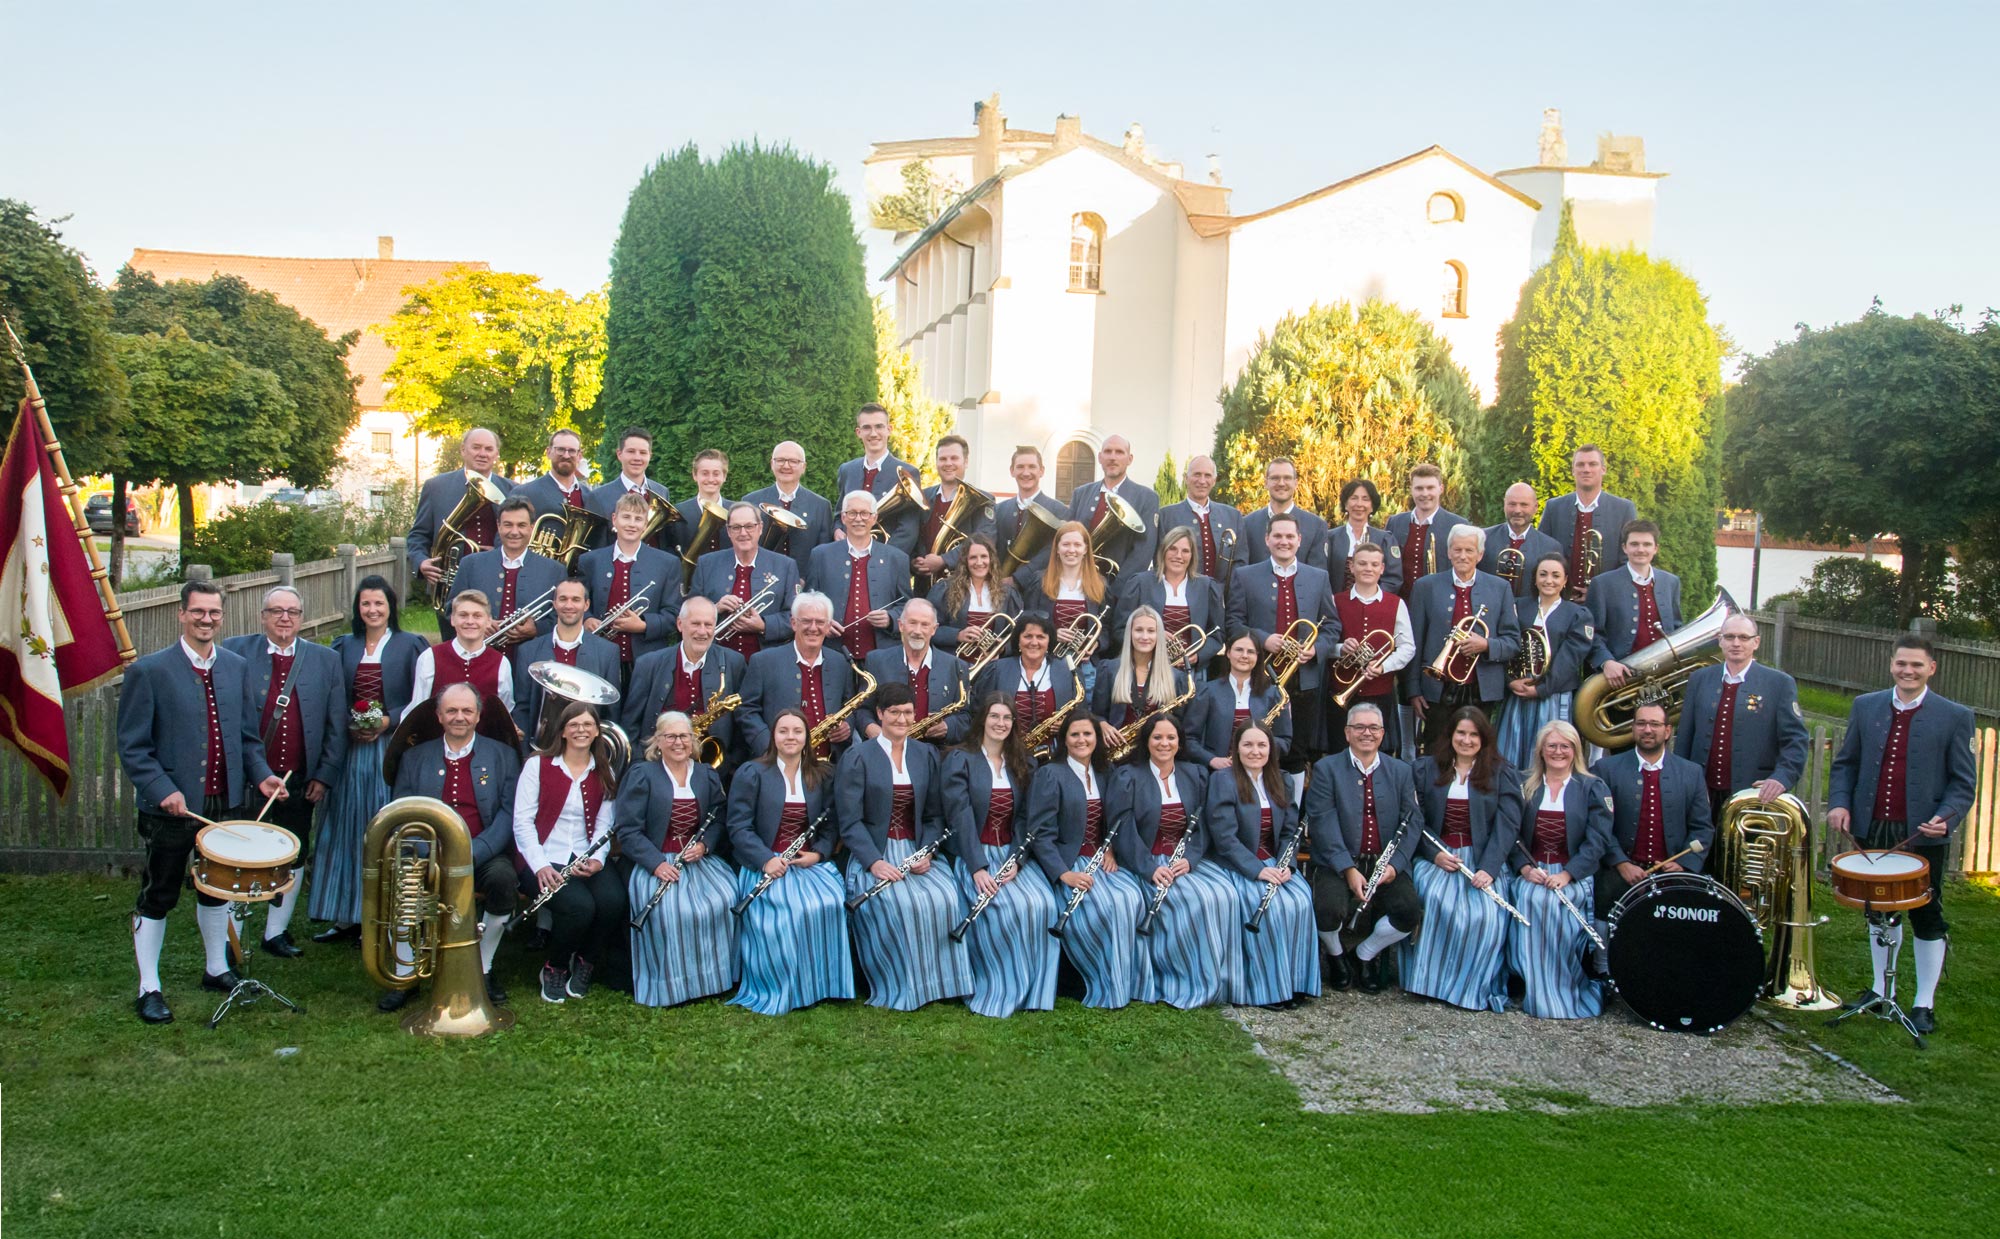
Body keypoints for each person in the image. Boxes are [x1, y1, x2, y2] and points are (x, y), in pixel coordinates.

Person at [116, 581, 285, 1024]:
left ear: (221, 617)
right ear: (182, 614)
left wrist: (262, 775)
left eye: (213, 613)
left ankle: (216, 969)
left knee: (217, 890)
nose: (206, 620)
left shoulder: (235, 666)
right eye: (198, 612)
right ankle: (149, 987)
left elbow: (247, 738)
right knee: (159, 893)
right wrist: (162, 789)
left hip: (224, 804)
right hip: (170, 809)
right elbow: (133, 747)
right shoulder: (149, 671)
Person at [1828, 636, 1979, 1035]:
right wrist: (1840, 803)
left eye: (1916, 665)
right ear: (1891, 664)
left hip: (1923, 832)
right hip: (1873, 826)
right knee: (1878, 908)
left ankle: (1923, 1003)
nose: (1907, 671)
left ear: (1931, 668)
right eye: (1901, 664)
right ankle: (1882, 990)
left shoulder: (1955, 715)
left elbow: (1963, 783)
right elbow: (1846, 764)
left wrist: (1946, 818)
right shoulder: (1866, 706)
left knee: (1926, 913)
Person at [220, 585, 347, 958]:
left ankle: (276, 932)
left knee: (294, 850)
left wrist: (323, 775)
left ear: (302, 618)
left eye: (292, 611)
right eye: (276, 611)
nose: (284, 618)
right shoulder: (235, 651)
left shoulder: (325, 660)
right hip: (247, 777)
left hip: (299, 779)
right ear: (263, 616)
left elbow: (336, 725)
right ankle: (232, 934)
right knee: (239, 853)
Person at [836, 682, 972, 1011]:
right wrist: (874, 862)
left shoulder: (926, 754)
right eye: (894, 712)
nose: (901, 719)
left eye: (907, 712)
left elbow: (934, 814)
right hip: (877, 851)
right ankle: (903, 985)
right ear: (880, 714)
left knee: (945, 897)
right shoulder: (858, 756)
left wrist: (928, 851)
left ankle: (941, 985)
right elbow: (850, 822)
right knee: (900, 903)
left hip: (917, 849)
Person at [389, 683, 522, 1008]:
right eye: (451, 711)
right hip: (427, 853)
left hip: (482, 852)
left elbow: (508, 813)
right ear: (439, 716)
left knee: (504, 880)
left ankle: (483, 967)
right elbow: (402, 812)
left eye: (466, 711)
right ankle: (405, 973)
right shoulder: (413, 757)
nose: (459, 717)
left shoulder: (503, 755)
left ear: (478, 716)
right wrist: (430, 853)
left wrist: (474, 851)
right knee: (400, 879)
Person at [312, 575, 427, 944]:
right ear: (357, 608)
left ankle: (384, 916)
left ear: (391, 606)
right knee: (345, 827)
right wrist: (351, 722)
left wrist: (387, 721)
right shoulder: (344, 646)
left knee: (383, 828)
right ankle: (345, 914)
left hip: (389, 750)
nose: (373, 610)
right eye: (366, 604)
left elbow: (421, 697)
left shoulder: (410, 645)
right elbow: (333, 694)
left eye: (379, 603)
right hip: (350, 751)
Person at [727, 707, 853, 1016]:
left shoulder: (821, 774)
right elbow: (739, 827)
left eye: (797, 731)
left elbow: (830, 825)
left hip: (806, 862)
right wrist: (765, 860)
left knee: (828, 902)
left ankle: (819, 986)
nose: (790, 737)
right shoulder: (752, 772)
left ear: (807, 737)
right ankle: (781, 985)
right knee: (789, 910)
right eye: (783, 731)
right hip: (766, 865)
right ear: (773, 736)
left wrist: (818, 853)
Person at [943, 695, 1059, 1018]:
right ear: (983, 719)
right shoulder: (960, 759)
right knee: (1003, 908)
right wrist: (977, 867)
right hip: (975, 853)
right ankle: (1000, 986)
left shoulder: (1023, 763)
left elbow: (1024, 819)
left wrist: (1018, 860)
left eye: (1007, 718)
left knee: (1042, 904)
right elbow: (960, 815)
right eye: (994, 716)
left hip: (1010, 853)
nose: (1000, 723)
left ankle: (1035, 992)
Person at [1400, 708, 1520, 1012]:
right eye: (1461, 733)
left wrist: (1489, 869)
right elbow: (1415, 820)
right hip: (1439, 855)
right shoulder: (1426, 769)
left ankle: (1469, 987)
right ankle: (1430, 984)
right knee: (1436, 900)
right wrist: (1434, 854)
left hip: (1482, 859)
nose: (1467, 740)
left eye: (1474, 734)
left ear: (1484, 738)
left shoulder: (1502, 772)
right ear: (1450, 734)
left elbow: (1507, 826)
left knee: (1485, 916)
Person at [1026, 714, 1150, 1008]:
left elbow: (1116, 820)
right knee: (1101, 906)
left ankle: (1123, 980)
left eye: (1088, 734)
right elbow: (1040, 833)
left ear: (1097, 739)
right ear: (1064, 740)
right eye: (1074, 735)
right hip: (1067, 861)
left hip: (1101, 858)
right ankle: (1090, 978)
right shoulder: (1050, 774)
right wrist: (1063, 874)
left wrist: (1111, 849)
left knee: (1130, 897)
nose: (1081, 740)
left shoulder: (1107, 773)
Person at [1110, 715, 1233, 1008]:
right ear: (1146, 741)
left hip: (1186, 860)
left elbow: (1204, 825)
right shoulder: (1127, 776)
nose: (1164, 743)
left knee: (1225, 895)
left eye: (1171, 738)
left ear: (1179, 742)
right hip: (1146, 861)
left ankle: (1214, 980)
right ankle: (1179, 979)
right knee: (1191, 900)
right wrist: (1150, 868)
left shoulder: (1195, 774)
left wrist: (1190, 859)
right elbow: (1123, 830)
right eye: (1157, 737)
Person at [618, 710, 734, 1008]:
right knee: (672, 911)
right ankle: (673, 985)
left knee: (724, 898)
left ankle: (712, 980)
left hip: (696, 860)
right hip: (657, 861)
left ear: (693, 740)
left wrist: (705, 845)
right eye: (670, 736)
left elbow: (719, 818)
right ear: (657, 741)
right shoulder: (642, 774)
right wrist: (656, 863)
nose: (678, 742)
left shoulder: (706, 774)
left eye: (684, 736)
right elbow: (627, 830)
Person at [1302, 704, 1422, 993]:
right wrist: (1347, 868)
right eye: (1359, 727)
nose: (1366, 733)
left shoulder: (1401, 771)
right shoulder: (1326, 769)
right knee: (1327, 909)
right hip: (1338, 862)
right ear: (1347, 733)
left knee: (1409, 911)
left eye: (1373, 728)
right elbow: (1322, 822)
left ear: (1383, 733)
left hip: (1385, 863)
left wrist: (1395, 865)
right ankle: (1336, 955)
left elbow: (1413, 821)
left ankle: (1364, 954)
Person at [513, 702, 622, 1003]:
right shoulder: (537, 765)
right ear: (562, 731)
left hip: (585, 855)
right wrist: (541, 866)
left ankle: (586, 960)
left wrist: (597, 860)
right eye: (573, 724)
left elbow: (604, 823)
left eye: (587, 725)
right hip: (540, 857)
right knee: (579, 907)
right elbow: (522, 822)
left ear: (597, 731)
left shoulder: (604, 770)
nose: (580, 730)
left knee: (613, 901)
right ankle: (556, 966)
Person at [1594, 700, 1715, 972]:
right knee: (1604, 894)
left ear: (1667, 730)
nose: (1647, 729)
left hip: (1672, 872)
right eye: (1641, 723)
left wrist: (1683, 864)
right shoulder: (1607, 769)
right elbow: (1599, 826)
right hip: (1621, 869)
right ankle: (1603, 969)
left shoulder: (1691, 773)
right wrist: (1621, 863)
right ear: (1633, 729)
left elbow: (1702, 828)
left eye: (1654, 724)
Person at [1506, 720, 1613, 1020]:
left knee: (1553, 905)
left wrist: (1567, 874)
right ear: (1541, 750)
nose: (1558, 751)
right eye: (1551, 745)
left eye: (1565, 746)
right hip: (1534, 871)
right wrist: (1525, 868)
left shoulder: (1592, 787)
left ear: (1576, 750)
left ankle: (1560, 985)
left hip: (1572, 874)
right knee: (1531, 899)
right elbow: (1510, 833)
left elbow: (1598, 840)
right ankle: (1533, 982)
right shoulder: (1524, 785)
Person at [1205, 722, 1318, 1007]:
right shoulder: (1223, 780)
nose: (1255, 751)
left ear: (1271, 749)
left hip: (1275, 862)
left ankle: (1295, 982)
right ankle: (1266, 988)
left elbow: (1290, 832)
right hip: (1238, 864)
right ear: (1236, 748)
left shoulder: (1282, 780)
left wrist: (1287, 865)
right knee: (1269, 906)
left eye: (1261, 745)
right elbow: (1224, 838)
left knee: (1301, 900)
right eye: (1248, 745)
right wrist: (1257, 870)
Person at [1229, 511, 1340, 788]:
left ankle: (1292, 810)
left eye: (1290, 536)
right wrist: (1263, 639)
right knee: (1257, 744)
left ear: (1299, 540)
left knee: (1297, 750)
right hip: (1260, 675)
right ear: (1266, 539)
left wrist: (1315, 650)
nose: (1284, 541)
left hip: (1303, 679)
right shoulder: (1245, 575)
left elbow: (1332, 626)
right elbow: (1233, 623)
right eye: (1277, 535)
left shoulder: (1318, 577)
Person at [1674, 614, 1810, 821]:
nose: (1736, 643)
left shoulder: (1779, 683)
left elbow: (1796, 740)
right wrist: (1681, 782)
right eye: (1729, 637)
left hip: (1753, 794)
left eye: (1744, 637)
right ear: (1720, 641)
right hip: (1701, 793)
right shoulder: (1699, 679)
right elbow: (1685, 736)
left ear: (1756, 642)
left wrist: (1781, 778)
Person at [1406, 526, 1521, 750]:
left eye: (1469, 550)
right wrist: (1413, 689)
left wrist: (1486, 645)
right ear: (1448, 552)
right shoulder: (1425, 586)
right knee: (1436, 751)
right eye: (1457, 549)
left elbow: (1513, 642)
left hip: (1481, 689)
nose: (1463, 556)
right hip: (1437, 689)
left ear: (1480, 554)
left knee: (1479, 752)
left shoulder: (1500, 588)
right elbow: (1415, 642)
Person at [1495, 554, 1595, 771]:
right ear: (1535, 578)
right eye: (1543, 574)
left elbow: (1570, 659)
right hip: (1519, 691)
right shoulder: (1517, 606)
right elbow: (1506, 646)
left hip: (1554, 694)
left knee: (1550, 752)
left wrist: (1541, 689)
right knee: (1511, 754)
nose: (1549, 580)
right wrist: (1510, 681)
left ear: (1565, 580)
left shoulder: (1577, 614)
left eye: (1556, 575)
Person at [579, 491, 684, 690]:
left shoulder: (667, 563)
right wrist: (587, 618)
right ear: (614, 520)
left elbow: (674, 614)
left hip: (647, 658)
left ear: (646, 524)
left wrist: (643, 625)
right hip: (599, 656)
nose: (631, 524)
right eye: (626, 517)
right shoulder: (590, 560)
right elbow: (579, 603)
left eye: (638, 519)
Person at [622, 596, 747, 759]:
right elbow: (630, 724)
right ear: (680, 624)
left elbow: (742, 721)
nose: (702, 631)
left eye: (708, 625)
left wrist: (731, 765)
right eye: (695, 624)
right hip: (658, 761)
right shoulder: (648, 664)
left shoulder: (734, 662)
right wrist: (639, 763)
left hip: (711, 765)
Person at [738, 592, 858, 760]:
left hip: (829, 765)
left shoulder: (840, 662)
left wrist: (847, 726)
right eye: (806, 621)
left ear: (828, 626)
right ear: (794, 623)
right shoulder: (763, 661)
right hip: (777, 763)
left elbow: (849, 707)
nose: (813, 628)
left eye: (820, 622)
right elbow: (746, 710)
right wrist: (769, 748)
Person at [453, 497, 568, 667]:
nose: (514, 532)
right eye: (508, 525)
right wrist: (479, 623)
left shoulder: (555, 570)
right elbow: (451, 609)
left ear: (532, 528)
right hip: (479, 661)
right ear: (498, 526)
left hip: (531, 663)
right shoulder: (470, 564)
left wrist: (537, 629)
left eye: (521, 525)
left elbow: (564, 617)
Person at [1325, 542, 1415, 760]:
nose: (1368, 568)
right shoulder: (1335, 601)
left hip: (1380, 692)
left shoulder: (1396, 603)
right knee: (1340, 750)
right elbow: (1323, 642)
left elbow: (1407, 647)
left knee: (1380, 753)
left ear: (1382, 568)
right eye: (1362, 563)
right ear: (1352, 567)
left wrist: (1383, 666)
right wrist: (1340, 649)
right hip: (1341, 690)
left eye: (1374, 564)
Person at [509, 578, 622, 742]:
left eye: (576, 599)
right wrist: (527, 751)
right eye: (563, 599)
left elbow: (611, 711)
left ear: (586, 605)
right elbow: (523, 707)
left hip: (587, 747)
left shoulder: (608, 652)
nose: (569, 605)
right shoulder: (528, 650)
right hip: (541, 746)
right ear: (554, 604)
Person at [406, 427, 514, 590]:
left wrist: (500, 552)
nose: (482, 454)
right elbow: (419, 535)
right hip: (450, 584)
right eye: (476, 447)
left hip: (498, 579)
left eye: (489, 449)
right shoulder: (436, 487)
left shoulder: (513, 490)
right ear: (463, 450)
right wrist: (421, 561)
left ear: (496, 454)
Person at [807, 490, 908, 662]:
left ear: (874, 518)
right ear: (843, 518)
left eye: (864, 513)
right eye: (852, 513)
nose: (858, 519)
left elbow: (906, 605)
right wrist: (821, 623)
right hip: (831, 654)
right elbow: (808, 602)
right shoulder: (820, 555)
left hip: (881, 657)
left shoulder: (897, 558)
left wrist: (891, 618)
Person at [691, 502, 799, 663]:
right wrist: (715, 608)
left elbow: (796, 617)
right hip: (716, 660)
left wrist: (763, 625)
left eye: (749, 526)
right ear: (728, 531)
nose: (743, 533)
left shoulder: (785, 565)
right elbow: (689, 612)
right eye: (736, 527)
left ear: (760, 528)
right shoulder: (707, 563)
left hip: (767, 660)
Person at [1110, 525, 1225, 673]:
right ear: (1163, 551)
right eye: (1172, 549)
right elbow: (1119, 629)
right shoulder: (1140, 583)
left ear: (1192, 555)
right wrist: (1151, 636)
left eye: (1185, 551)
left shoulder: (1206, 586)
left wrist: (1198, 655)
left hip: (1191, 671)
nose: (1178, 556)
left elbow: (1217, 633)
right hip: (1146, 669)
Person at [857, 598, 971, 746]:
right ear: (901, 625)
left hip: (935, 751)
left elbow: (965, 717)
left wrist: (948, 727)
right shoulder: (877, 661)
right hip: (885, 749)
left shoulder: (956, 666)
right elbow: (862, 710)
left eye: (925, 625)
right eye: (912, 623)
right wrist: (871, 728)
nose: (917, 631)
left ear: (934, 629)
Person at [1587, 520, 1682, 686]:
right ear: (1625, 548)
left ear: (1656, 548)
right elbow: (1591, 632)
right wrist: (1606, 661)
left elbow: (1676, 627)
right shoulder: (1602, 584)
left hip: (1663, 674)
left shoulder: (1671, 582)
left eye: (1647, 544)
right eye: (1634, 544)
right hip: (1621, 676)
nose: (1641, 549)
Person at [1537, 443, 1638, 596]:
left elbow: (1628, 560)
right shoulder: (1554, 507)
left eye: (1592, 464)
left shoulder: (1623, 509)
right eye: (1580, 465)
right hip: (1559, 598)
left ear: (1603, 469)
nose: (1586, 469)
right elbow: (1542, 552)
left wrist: (1600, 591)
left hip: (1606, 599)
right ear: (1573, 471)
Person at [1182, 631, 1292, 771]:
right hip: (1217, 773)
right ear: (1228, 653)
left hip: (1260, 772)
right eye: (1239, 650)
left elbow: (1284, 741)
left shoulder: (1273, 694)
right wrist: (1211, 760)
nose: (1244, 656)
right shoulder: (1207, 691)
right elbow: (1189, 739)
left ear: (1258, 657)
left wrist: (1258, 750)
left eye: (1250, 651)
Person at [972, 612, 1080, 750]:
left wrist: (1068, 724)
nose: (1034, 642)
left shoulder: (1067, 672)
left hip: (1053, 753)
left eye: (1041, 637)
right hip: (1002, 750)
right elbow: (977, 712)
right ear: (1018, 640)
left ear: (1050, 641)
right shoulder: (997, 669)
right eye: (1028, 636)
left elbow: (1080, 716)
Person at [1060, 434, 1160, 575]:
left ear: (1130, 459)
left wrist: (1117, 586)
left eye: (1119, 452)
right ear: (1100, 457)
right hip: (1078, 579)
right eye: (1108, 451)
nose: (1113, 457)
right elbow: (1066, 536)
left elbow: (1143, 551)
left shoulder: (1146, 498)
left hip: (1120, 585)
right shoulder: (1081, 494)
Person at [1017, 520, 1112, 669]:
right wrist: (1052, 633)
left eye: (1077, 545)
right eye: (1066, 544)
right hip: (1046, 662)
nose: (1071, 550)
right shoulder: (1039, 581)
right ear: (1057, 548)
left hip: (1084, 665)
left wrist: (1096, 643)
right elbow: (1026, 621)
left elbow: (1106, 628)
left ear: (1086, 549)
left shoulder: (1100, 584)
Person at [406, 589, 516, 718]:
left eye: (477, 616)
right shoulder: (430, 658)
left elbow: (504, 713)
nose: (470, 621)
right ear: (452, 619)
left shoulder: (501, 663)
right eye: (463, 615)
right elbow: (417, 710)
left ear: (488, 621)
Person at [741, 440, 835, 583]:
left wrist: (809, 580)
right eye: (780, 460)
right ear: (772, 464)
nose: (786, 466)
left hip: (805, 585)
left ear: (803, 467)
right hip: (759, 582)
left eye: (793, 461)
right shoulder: (751, 501)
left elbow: (823, 554)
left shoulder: (821, 506)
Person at [911, 434, 994, 595]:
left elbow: (986, 540)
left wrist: (943, 560)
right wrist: (914, 561)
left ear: (966, 461)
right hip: (924, 588)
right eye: (943, 459)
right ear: (936, 462)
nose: (948, 463)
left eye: (954, 458)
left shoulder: (983, 501)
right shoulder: (922, 496)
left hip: (962, 589)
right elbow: (912, 536)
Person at [835, 403, 921, 558]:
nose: (873, 433)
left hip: (886, 560)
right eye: (867, 428)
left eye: (879, 426)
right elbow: (839, 512)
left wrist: (883, 557)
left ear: (889, 429)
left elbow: (908, 528)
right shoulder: (847, 470)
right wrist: (837, 530)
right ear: (858, 432)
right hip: (847, 556)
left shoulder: (908, 473)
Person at [1093, 605, 1194, 736]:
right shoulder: (1108, 669)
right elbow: (1096, 715)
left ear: (1159, 635)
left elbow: (1179, 724)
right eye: (1138, 630)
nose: (1145, 637)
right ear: (1129, 633)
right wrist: (1102, 724)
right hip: (1117, 745)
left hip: (1157, 746)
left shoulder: (1176, 677)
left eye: (1151, 631)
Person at [1155, 455, 1245, 589]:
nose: (1202, 481)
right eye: (1197, 474)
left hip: (1222, 597)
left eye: (1207, 475)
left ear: (1214, 481)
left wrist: (1228, 594)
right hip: (1180, 595)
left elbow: (1240, 563)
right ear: (1186, 478)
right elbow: (1159, 562)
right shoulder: (1166, 516)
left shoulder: (1232, 516)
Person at [928, 532, 1021, 658]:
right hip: (954, 664)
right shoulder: (946, 589)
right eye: (973, 557)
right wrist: (957, 635)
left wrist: (1003, 648)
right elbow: (927, 629)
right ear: (965, 561)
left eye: (984, 556)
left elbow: (1019, 635)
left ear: (991, 559)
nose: (979, 562)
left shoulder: (1007, 593)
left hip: (993, 666)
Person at [1383, 463, 1466, 600]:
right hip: (1399, 603)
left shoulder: (1458, 525)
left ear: (1441, 489)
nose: (1425, 494)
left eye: (1430, 488)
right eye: (1419, 488)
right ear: (1411, 490)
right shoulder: (1395, 522)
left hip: (1440, 602)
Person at [588, 426, 677, 553]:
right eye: (631, 451)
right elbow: (597, 548)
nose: (637, 458)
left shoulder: (662, 492)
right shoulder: (599, 497)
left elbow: (664, 540)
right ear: (619, 454)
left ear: (650, 456)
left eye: (643, 453)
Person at [991, 444, 1068, 573]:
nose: (1026, 473)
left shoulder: (1059, 511)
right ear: (1012, 471)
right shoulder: (999, 510)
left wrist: (1018, 578)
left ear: (1041, 471)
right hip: (1000, 582)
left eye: (1032, 467)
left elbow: (1053, 553)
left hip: (1040, 584)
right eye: (1020, 467)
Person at [1243, 458, 1329, 572]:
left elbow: (1316, 576)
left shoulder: (1316, 526)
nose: (1281, 483)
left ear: (1296, 483)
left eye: (1287, 478)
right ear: (1266, 483)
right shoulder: (1247, 524)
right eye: (1275, 478)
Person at [1480, 482, 1564, 598]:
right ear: (1504, 505)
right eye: (1512, 504)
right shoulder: (1483, 538)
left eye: (1524, 505)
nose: (1517, 510)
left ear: (1535, 507)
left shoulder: (1550, 547)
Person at [1325, 478, 1402, 597]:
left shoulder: (1385, 539)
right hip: (1335, 604)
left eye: (1365, 499)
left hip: (1375, 605)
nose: (1359, 504)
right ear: (1345, 504)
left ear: (1372, 506)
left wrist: (1372, 600)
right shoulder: (1330, 538)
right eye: (1354, 498)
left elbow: (1393, 579)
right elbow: (1321, 575)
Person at [512, 428, 593, 522]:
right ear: (548, 452)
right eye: (560, 449)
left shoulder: (590, 497)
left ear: (579, 456)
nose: (566, 456)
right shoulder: (524, 493)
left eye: (572, 451)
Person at [675, 447, 733, 563]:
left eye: (716, 474)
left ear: (724, 476)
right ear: (695, 475)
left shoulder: (736, 512)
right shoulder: (679, 512)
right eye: (705, 473)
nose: (710, 479)